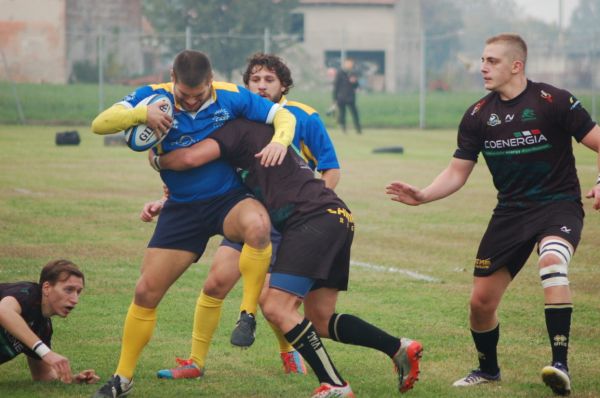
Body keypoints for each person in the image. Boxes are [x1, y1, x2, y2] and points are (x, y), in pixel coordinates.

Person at [386, 33, 600, 396]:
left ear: (516, 65)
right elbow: (457, 171)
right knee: (480, 303)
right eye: (483, 60)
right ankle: (488, 369)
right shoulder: (477, 115)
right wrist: (423, 196)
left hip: (557, 205)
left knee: (551, 261)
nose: (483, 67)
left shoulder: (554, 100)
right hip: (510, 213)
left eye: (492, 61)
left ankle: (559, 364)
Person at [152, 118, 423, 397]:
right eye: (254, 80)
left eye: (266, 79)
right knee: (320, 319)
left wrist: (155, 157)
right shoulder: (250, 140)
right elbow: (213, 190)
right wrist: (166, 202)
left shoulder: (240, 129)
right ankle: (398, 348)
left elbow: (189, 157)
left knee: (275, 306)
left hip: (311, 220)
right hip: (337, 216)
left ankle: (335, 385)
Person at [90, 49, 296, 398]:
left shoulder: (230, 95)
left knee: (258, 225)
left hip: (227, 200)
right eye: (183, 95)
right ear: (173, 77)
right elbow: (99, 124)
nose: (189, 101)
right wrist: (143, 114)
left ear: (210, 80)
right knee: (145, 291)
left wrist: (279, 142)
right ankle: (122, 379)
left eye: (198, 95)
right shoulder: (152, 96)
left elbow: (283, 117)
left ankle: (246, 315)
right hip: (182, 209)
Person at [145, 53, 340, 380]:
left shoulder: (302, 117)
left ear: (283, 86)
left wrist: (312, 209)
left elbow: (330, 170)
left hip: (286, 223)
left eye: (269, 80)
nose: (261, 86)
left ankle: (287, 351)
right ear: (246, 84)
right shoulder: (230, 118)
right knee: (215, 283)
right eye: (255, 80)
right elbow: (205, 171)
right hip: (240, 213)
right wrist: (164, 196)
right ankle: (195, 362)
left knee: (270, 300)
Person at [0, 259, 100, 385]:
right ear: (46, 288)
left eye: (78, 292)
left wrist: (74, 380)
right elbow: (3, 311)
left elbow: (43, 375)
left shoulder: (43, 327)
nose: (75, 300)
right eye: (69, 290)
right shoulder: (27, 293)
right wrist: (46, 353)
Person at [332, 58, 362, 134]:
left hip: (351, 97)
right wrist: (334, 98)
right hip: (341, 97)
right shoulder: (340, 73)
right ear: (345, 64)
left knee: (355, 113)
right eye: (348, 63)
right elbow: (336, 86)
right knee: (342, 114)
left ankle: (358, 129)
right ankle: (344, 129)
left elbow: (356, 86)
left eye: (351, 63)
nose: (350, 65)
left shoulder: (353, 73)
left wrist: (354, 82)